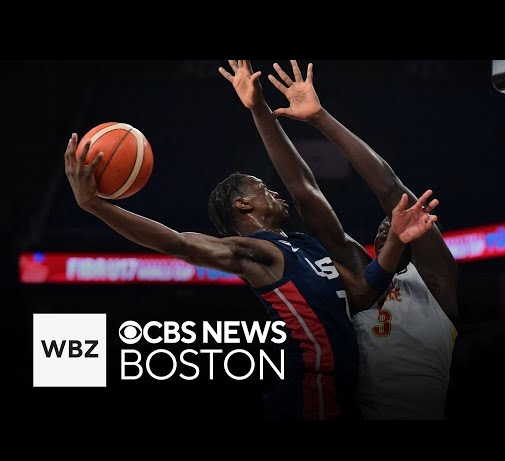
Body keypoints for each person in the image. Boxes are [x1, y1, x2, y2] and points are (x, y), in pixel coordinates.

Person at [64, 122, 437, 420]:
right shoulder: (258, 254)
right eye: (262, 189)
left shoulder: (304, 245)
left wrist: (396, 241)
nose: (273, 193)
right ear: (243, 204)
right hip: (310, 395)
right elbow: (177, 243)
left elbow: (363, 293)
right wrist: (95, 206)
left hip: (341, 396)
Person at [225, 59, 459, 420]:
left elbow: (389, 188)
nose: (385, 224)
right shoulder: (359, 280)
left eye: (392, 220)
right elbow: (305, 192)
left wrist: (322, 119)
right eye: (381, 224)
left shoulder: (436, 282)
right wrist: (261, 110)